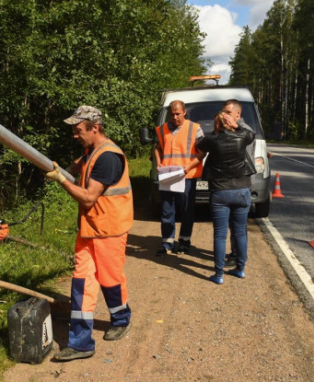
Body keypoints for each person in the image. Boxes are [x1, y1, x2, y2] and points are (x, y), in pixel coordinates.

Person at [44, 105, 133, 361]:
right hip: (89, 229)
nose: (74, 134)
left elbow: (87, 198)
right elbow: (74, 168)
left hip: (109, 230)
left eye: (78, 130)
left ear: (95, 128)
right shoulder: (90, 151)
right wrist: (58, 170)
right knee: (82, 282)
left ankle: (121, 318)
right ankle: (81, 343)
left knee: (110, 279)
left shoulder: (108, 157)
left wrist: (61, 180)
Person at [196, 99, 255, 284]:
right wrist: (235, 126)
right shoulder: (242, 137)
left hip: (220, 191)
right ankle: (240, 269)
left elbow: (200, 146)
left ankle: (219, 274)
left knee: (220, 234)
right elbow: (250, 135)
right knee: (239, 232)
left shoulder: (211, 140)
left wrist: (216, 129)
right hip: (242, 190)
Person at [153, 100, 204, 255]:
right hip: (168, 175)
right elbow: (157, 148)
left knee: (186, 210)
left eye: (178, 114)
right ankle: (167, 243)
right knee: (167, 210)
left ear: (184, 112)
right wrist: (158, 163)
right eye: (172, 114)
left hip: (187, 175)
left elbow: (202, 152)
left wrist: (188, 166)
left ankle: (184, 242)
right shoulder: (161, 130)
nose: (175, 117)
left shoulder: (195, 128)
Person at [219, 100, 255, 267]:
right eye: (223, 111)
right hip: (235, 183)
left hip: (241, 183)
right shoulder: (235, 130)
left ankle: (239, 256)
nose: (224, 114)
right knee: (235, 224)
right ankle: (237, 253)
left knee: (238, 226)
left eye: (227, 111)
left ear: (237, 114)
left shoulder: (244, 130)